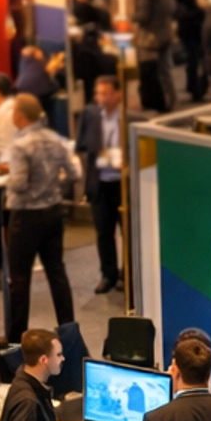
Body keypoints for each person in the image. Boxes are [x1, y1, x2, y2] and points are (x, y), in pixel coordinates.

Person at [2, 92, 78, 344]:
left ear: (21, 116)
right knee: (57, 272)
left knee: (20, 279)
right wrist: (52, 186)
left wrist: (7, 178)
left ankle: (15, 340)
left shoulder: (20, 145)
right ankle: (69, 332)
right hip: (54, 213)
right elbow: (74, 172)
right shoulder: (55, 138)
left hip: (25, 218)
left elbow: (20, 184)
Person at [75, 72, 125, 296]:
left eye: (105, 93)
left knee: (129, 233)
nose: (100, 98)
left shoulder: (131, 118)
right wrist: (100, 153)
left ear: (118, 94)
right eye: (98, 93)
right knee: (103, 233)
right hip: (100, 184)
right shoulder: (90, 113)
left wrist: (125, 159)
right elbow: (81, 144)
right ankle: (108, 274)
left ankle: (128, 274)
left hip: (124, 186)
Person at [134, 0, 177, 112]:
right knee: (166, 69)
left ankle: (159, 103)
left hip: (151, 36)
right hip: (165, 31)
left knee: (151, 71)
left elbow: (143, 16)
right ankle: (171, 99)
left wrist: (133, 17)